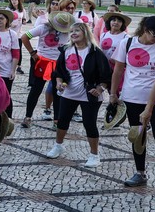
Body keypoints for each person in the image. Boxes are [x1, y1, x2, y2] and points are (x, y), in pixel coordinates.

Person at [44, 21, 112, 166]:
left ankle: (94, 155)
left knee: (89, 123)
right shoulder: (66, 50)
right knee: (62, 120)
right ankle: (58, 146)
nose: (73, 34)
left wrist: (100, 88)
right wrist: (58, 82)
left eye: (77, 31)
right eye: (71, 31)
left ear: (85, 33)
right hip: (69, 92)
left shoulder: (95, 52)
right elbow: (58, 71)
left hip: (89, 94)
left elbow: (106, 75)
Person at [113, 15, 155, 187]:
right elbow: (118, 70)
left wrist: (149, 108)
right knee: (138, 136)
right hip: (132, 97)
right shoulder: (127, 43)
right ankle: (140, 173)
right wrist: (113, 93)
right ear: (145, 30)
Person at [20, 10, 74, 127]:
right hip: (42, 62)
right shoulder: (42, 28)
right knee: (36, 90)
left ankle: (57, 120)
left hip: (58, 64)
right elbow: (24, 37)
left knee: (57, 92)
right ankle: (28, 117)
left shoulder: (68, 31)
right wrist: (32, 52)